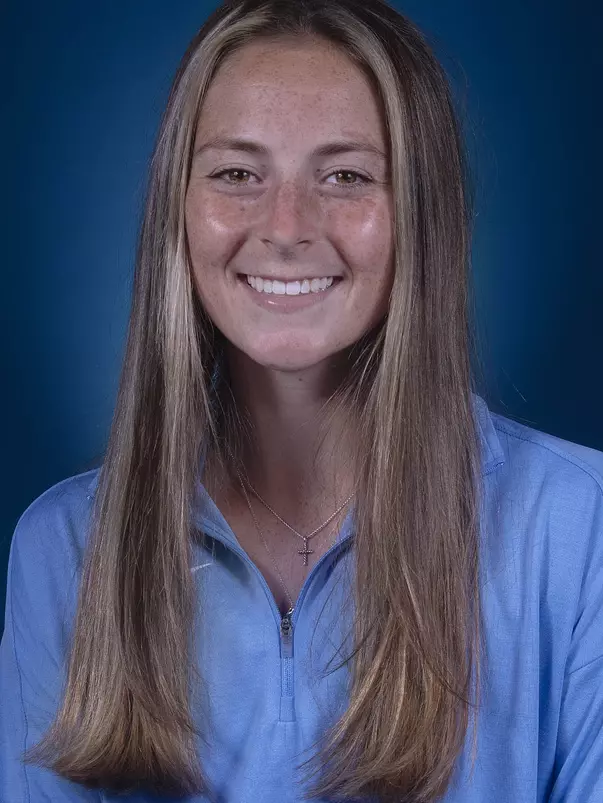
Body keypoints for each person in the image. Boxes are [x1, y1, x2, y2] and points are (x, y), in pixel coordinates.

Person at [1, 0, 602, 800]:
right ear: (176, 209)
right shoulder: (62, 549)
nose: (285, 226)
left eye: (346, 175)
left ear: (420, 214)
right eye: (237, 174)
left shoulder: (579, 528)